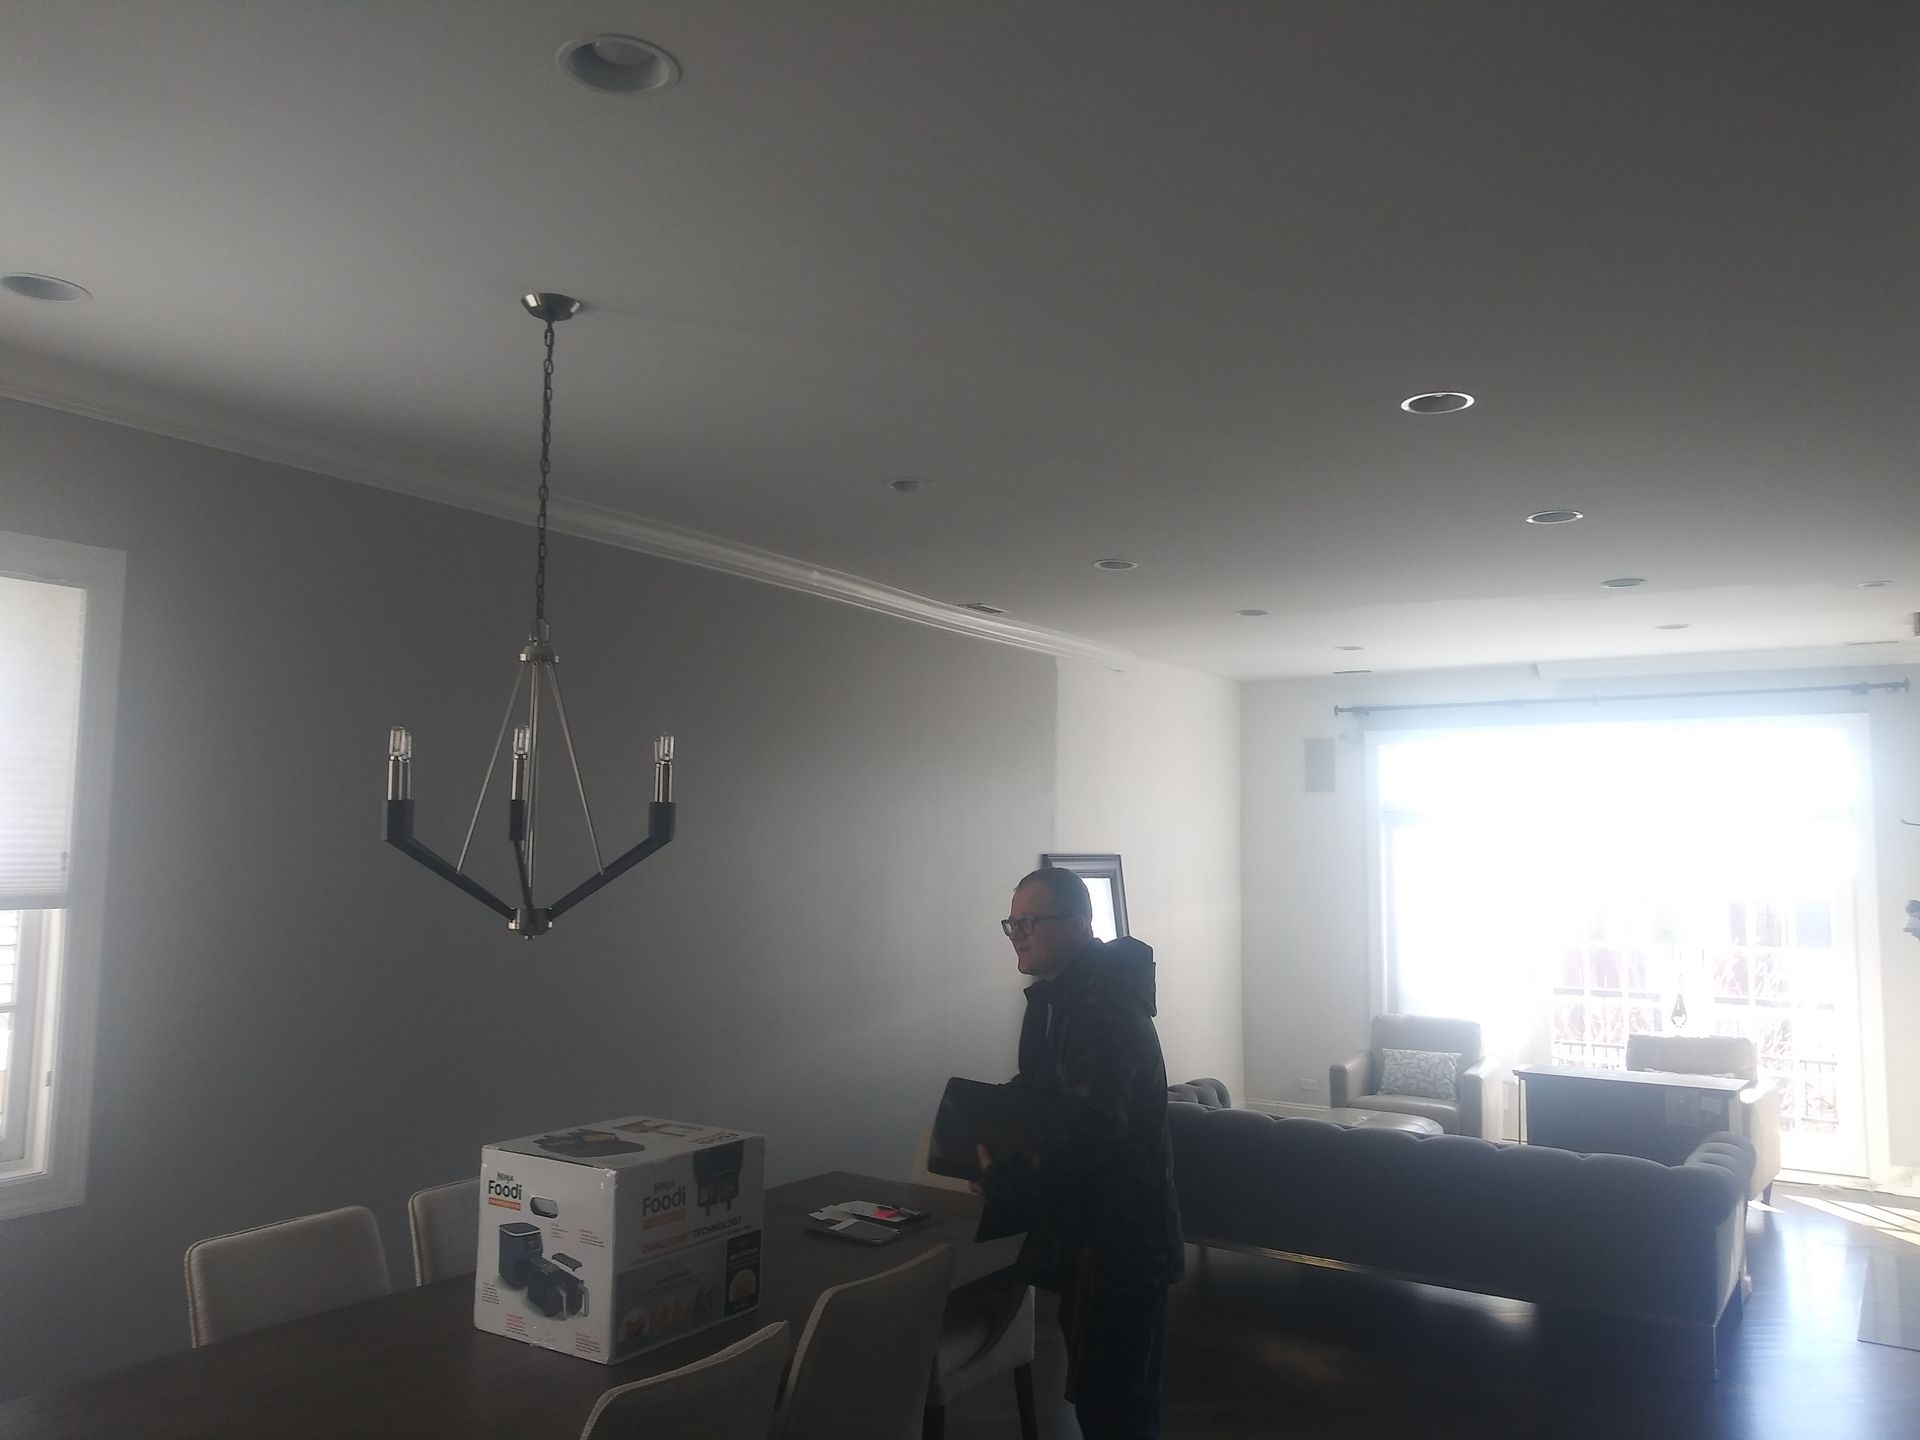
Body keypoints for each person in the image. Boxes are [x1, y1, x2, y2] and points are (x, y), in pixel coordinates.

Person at [974, 865, 1182, 1440]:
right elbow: (1052, 1097)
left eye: (1029, 920)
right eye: (1011, 921)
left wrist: (1005, 1180)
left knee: (1115, 1410)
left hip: (1119, 1250)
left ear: (1079, 924)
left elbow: (1091, 1136)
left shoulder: (1102, 1008)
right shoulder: (1062, 999)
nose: (1017, 932)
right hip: (1093, 1242)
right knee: (1109, 1400)